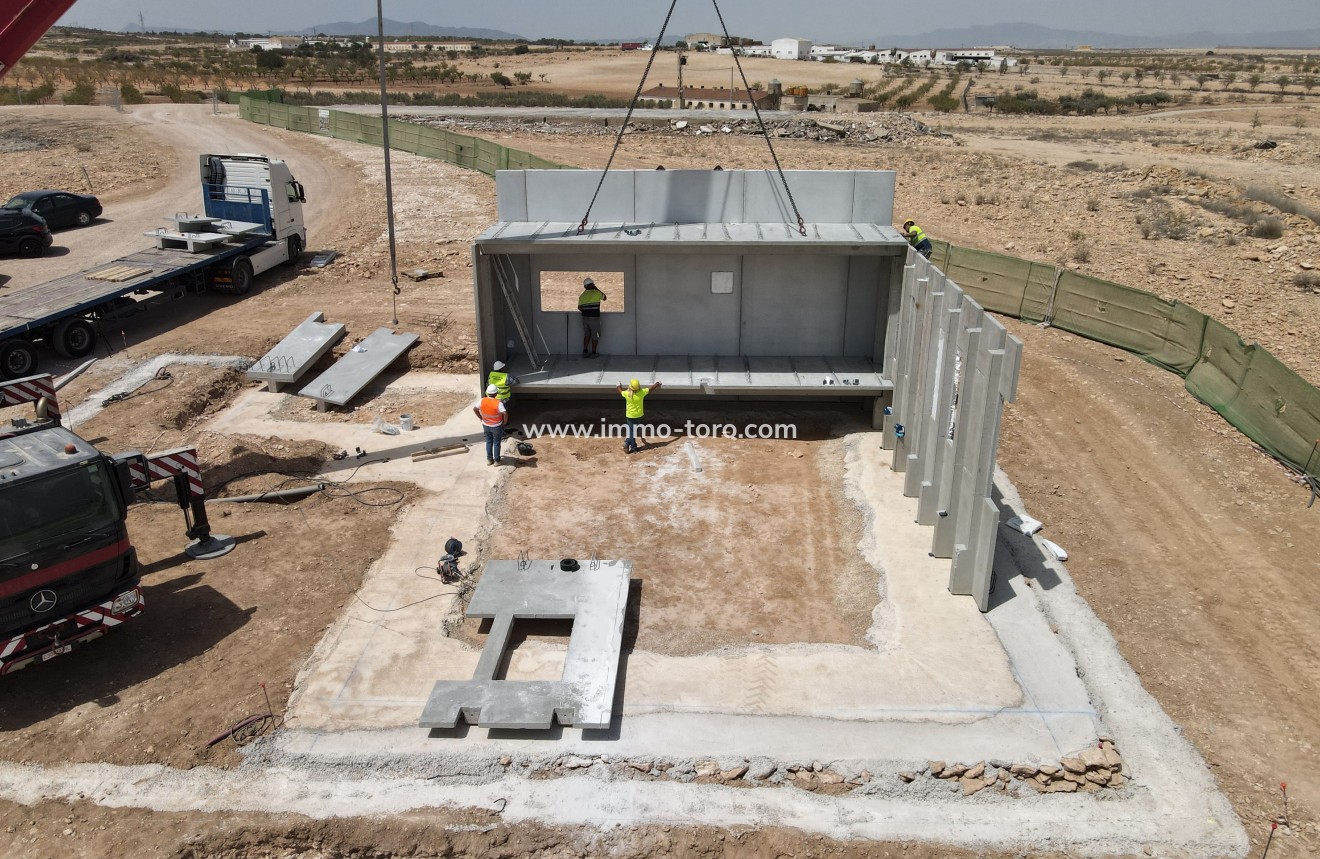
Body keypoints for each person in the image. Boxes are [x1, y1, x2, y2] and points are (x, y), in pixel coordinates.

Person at [615, 378, 662, 454]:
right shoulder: (642, 392)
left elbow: (620, 391)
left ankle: (629, 444)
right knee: (633, 431)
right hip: (638, 415)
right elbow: (651, 388)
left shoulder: (627, 394)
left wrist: (618, 385)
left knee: (632, 432)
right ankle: (631, 445)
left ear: (630, 387)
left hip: (630, 416)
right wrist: (657, 383)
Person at [473, 384, 507, 465]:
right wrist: (505, 423)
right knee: (496, 443)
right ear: (496, 393)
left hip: (486, 425)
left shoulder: (482, 400)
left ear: (487, 393)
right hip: (496, 426)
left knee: (488, 442)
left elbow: (475, 409)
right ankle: (497, 461)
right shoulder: (498, 403)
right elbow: (505, 413)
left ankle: (489, 460)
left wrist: (481, 418)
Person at [577, 276, 607, 359]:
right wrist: (597, 289)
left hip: (585, 319)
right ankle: (594, 353)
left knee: (587, 335)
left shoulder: (582, 296)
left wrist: (587, 310)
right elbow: (605, 298)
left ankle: (585, 352)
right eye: (593, 284)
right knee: (595, 336)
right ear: (592, 285)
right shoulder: (597, 293)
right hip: (594, 319)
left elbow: (579, 307)